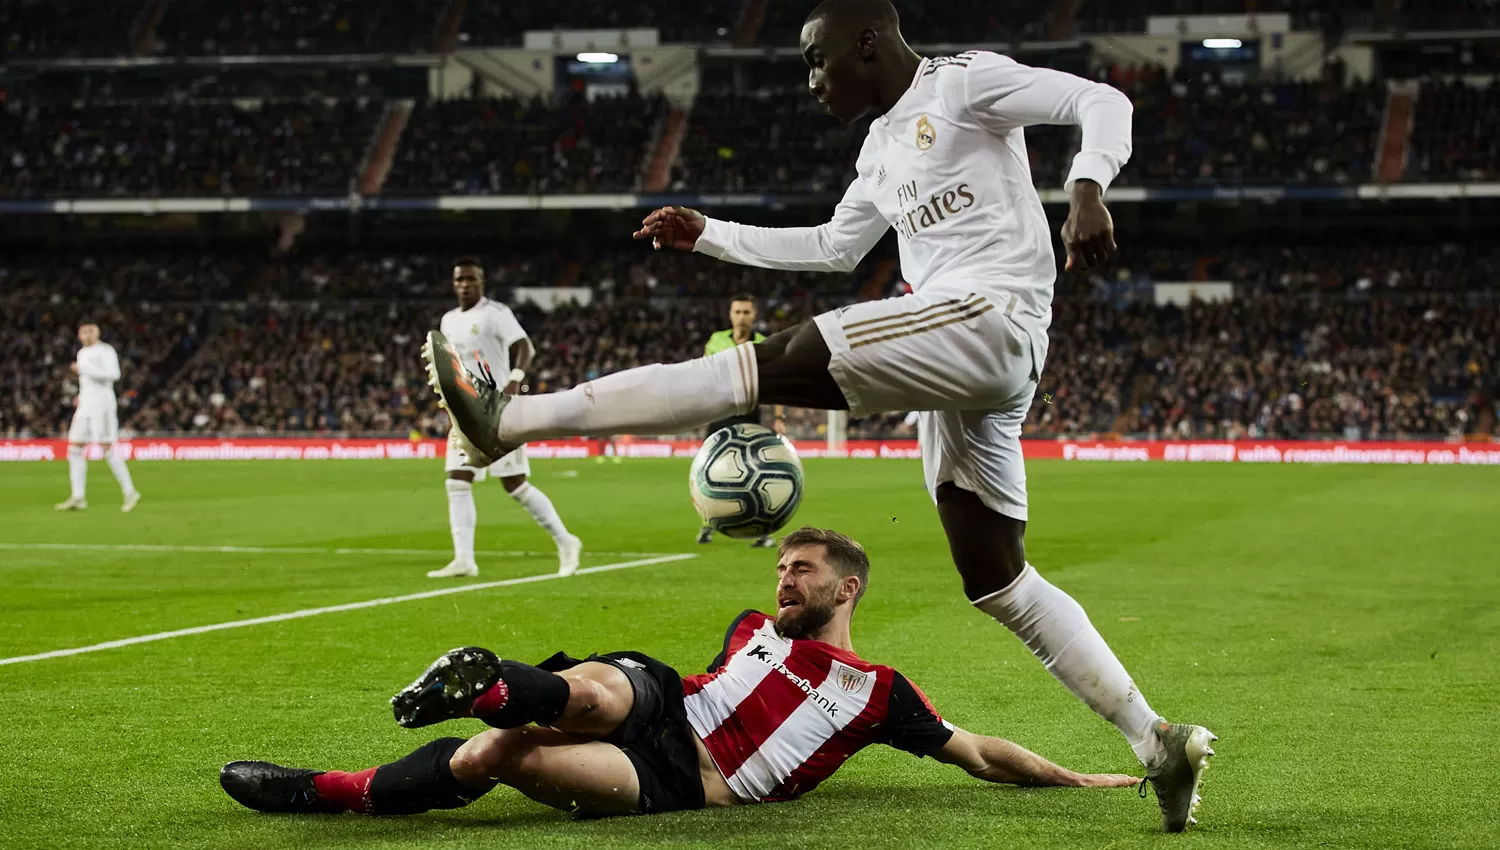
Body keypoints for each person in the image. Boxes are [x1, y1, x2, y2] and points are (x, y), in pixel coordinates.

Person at [423, 0, 1215, 831]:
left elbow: (1103, 101)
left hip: (988, 316)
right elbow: (836, 247)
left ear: (867, 42)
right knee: (998, 580)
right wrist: (711, 235)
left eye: (816, 59)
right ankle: (1155, 739)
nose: (811, 81)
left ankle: (509, 419)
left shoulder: (965, 84)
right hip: (975, 358)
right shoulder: (880, 148)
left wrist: (1087, 187)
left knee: (753, 366)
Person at [220, 527, 1140, 821]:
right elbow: (654, 688)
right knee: (606, 687)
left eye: (803, 570)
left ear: (846, 587)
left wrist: (1079, 774)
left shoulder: (878, 694)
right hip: (670, 700)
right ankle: (484, 679)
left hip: (691, 780)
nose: (784, 579)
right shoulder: (749, 629)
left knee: (499, 759)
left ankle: (331, 789)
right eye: (780, 567)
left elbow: (976, 751)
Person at [428, 257, 582, 579]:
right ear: (453, 283)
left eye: (471, 279)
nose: (465, 285)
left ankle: (567, 541)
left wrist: (516, 378)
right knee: (457, 481)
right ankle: (464, 560)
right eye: (460, 280)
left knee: (514, 485)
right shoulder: (447, 321)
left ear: (482, 282)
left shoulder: (496, 314)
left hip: (497, 411)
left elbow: (525, 346)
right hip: (464, 413)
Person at [697, 293, 787, 548]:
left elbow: (775, 384)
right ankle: (707, 524)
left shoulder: (765, 344)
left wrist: (779, 416)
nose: (742, 317)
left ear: (754, 315)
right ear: (730, 315)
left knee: (756, 474)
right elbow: (703, 376)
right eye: (738, 312)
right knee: (708, 470)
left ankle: (762, 531)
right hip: (719, 413)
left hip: (750, 415)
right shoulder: (716, 341)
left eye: (747, 312)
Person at [55, 321, 140, 513]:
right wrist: (81, 396)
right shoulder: (82, 353)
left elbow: (114, 374)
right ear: (78, 335)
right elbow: (88, 381)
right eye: (83, 332)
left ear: (97, 334)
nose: (86, 335)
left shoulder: (105, 351)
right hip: (86, 404)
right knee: (74, 447)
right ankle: (78, 496)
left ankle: (130, 492)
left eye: (90, 332)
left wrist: (84, 370)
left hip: (102, 405)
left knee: (106, 448)